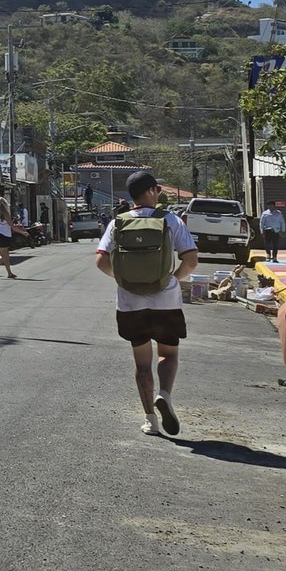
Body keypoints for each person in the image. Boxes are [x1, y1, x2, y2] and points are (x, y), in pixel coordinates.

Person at [95, 170, 199, 437]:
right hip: (166, 302)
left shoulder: (117, 223)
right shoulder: (171, 220)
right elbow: (191, 260)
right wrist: (172, 279)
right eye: (158, 190)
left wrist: (125, 279)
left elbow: (101, 260)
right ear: (152, 191)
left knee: (142, 364)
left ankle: (150, 420)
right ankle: (164, 394)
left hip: (130, 305)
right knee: (168, 354)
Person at [0, 196, 20, 279]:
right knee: (4, 256)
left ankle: (9, 273)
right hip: (3, 235)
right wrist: (23, 232)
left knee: (5, 255)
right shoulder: (5, 213)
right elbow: (12, 226)